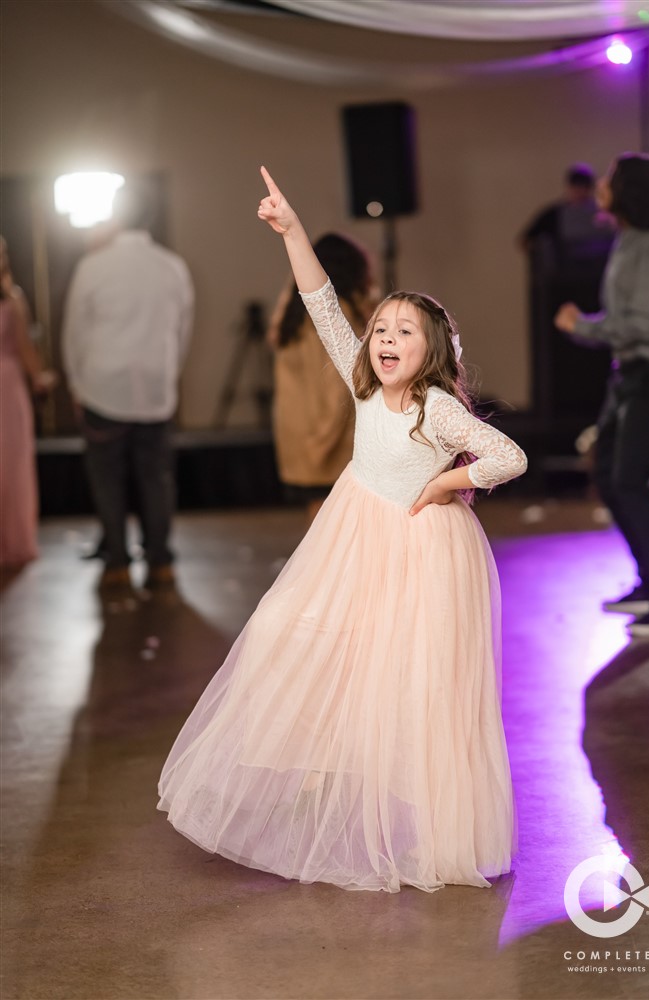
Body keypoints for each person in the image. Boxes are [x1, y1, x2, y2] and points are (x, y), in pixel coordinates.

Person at [157, 167, 527, 893]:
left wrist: (449, 480)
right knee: (281, 629)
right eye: (381, 329)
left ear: (433, 351)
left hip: (421, 547)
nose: (386, 340)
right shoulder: (363, 381)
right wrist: (292, 231)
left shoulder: (434, 408)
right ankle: (322, 769)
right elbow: (322, 305)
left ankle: (417, 818)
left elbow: (508, 455)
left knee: (409, 680)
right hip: (354, 532)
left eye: (404, 333)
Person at [555, 153, 649, 641]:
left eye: (610, 179)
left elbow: (647, 323)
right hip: (629, 374)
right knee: (608, 473)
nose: (601, 185)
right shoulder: (630, 239)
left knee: (628, 480)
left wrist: (582, 324)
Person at [62, 180, 194, 589]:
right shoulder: (173, 266)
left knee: (108, 478)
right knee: (156, 477)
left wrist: (77, 385)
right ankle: (160, 562)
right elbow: (182, 331)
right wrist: (169, 375)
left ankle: (117, 561)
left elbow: (74, 334)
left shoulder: (93, 266)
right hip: (155, 387)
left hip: (103, 385)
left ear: (116, 216)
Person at [270, 233, 375, 523]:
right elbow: (340, 383)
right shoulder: (331, 314)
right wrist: (322, 442)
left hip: (300, 436)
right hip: (329, 439)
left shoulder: (291, 314)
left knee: (321, 530)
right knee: (338, 532)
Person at [0, 237, 56, 570]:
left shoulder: (12, 297)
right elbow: (24, 349)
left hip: (8, 385)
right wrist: (41, 378)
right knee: (11, 463)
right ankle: (13, 540)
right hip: (7, 384)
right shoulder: (13, 298)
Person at [519, 163, 614, 264]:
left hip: (596, 272)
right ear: (569, 187)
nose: (580, 192)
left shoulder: (603, 214)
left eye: (584, 187)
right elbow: (525, 240)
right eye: (576, 187)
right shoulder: (553, 215)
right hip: (562, 274)